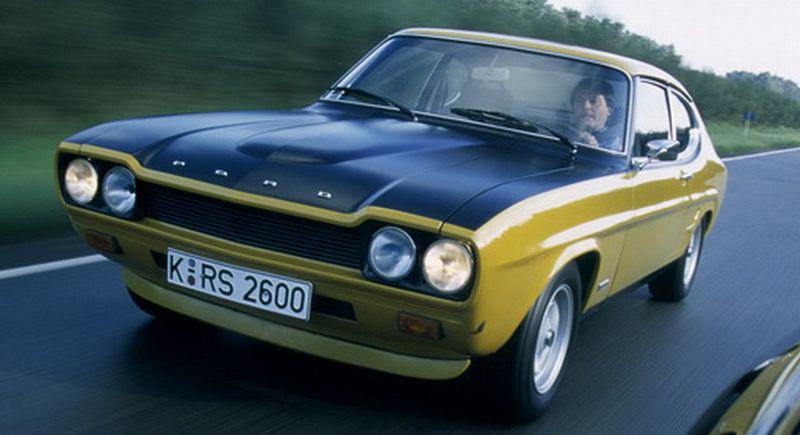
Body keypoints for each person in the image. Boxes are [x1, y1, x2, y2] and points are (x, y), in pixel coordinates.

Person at [570, 78, 623, 151]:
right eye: (579, 100)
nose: (586, 106)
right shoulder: (560, 131)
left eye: (594, 101)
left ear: (609, 110)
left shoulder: (615, 145)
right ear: (572, 107)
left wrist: (594, 150)